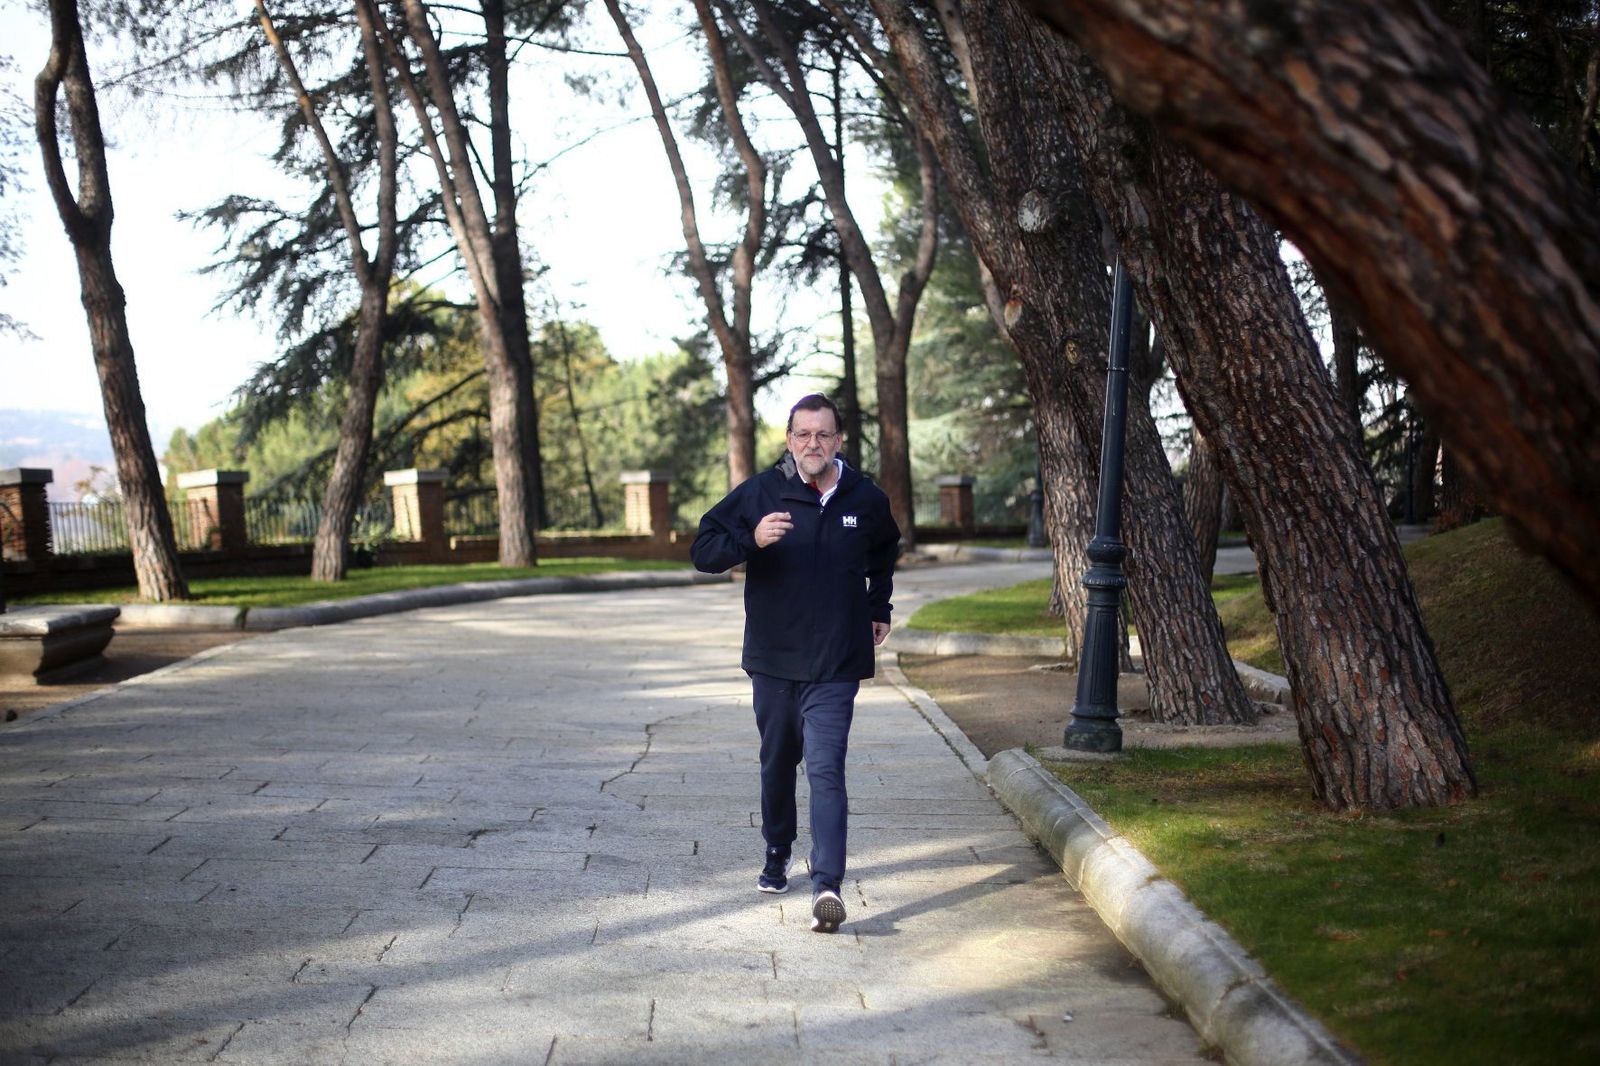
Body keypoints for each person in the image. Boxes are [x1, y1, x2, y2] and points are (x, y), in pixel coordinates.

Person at [691, 394, 900, 933]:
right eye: (803, 435)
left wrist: (879, 605)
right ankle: (777, 849)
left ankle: (827, 884)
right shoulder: (763, 492)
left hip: (836, 662)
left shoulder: (864, 497)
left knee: (828, 769)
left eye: (823, 435)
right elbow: (703, 549)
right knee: (778, 761)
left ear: (838, 441)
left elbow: (885, 549)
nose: (813, 444)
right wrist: (750, 540)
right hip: (775, 661)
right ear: (789, 440)